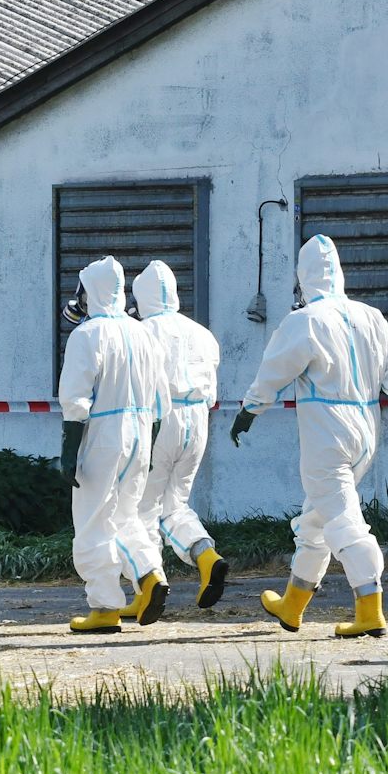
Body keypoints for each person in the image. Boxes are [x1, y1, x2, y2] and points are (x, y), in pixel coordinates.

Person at [230, 235, 388, 639]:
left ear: (302, 279)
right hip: (366, 430)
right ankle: (292, 606)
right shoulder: (370, 316)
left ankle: (369, 606)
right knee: (315, 521)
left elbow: (272, 373)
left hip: (328, 434)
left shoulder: (304, 321)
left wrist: (246, 413)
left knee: (343, 521)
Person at [58, 256, 170, 634]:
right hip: (140, 434)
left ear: (90, 292)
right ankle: (149, 574)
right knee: (126, 516)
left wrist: (68, 454)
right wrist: (150, 450)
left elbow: (75, 401)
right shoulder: (144, 333)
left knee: (93, 521)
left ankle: (104, 607)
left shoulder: (87, 335)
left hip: (103, 436)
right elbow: (160, 403)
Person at [132, 260, 231, 609]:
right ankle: (206, 557)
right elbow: (214, 393)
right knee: (175, 505)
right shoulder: (202, 333)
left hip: (160, 420)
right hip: (198, 421)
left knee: (142, 509)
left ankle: (148, 586)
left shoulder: (142, 332)